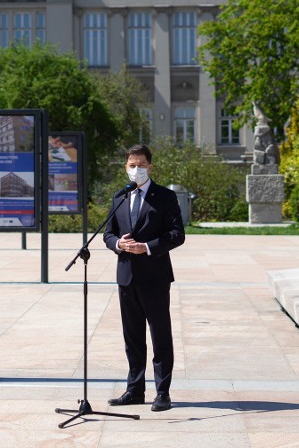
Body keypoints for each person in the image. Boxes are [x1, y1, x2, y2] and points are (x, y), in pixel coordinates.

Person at [103, 144, 185, 412]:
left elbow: (177, 234)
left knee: (160, 336)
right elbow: (108, 234)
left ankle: (163, 393)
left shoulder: (165, 197)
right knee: (132, 337)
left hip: (155, 277)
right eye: (131, 165)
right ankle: (135, 390)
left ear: (150, 166)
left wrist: (148, 247)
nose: (135, 169)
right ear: (125, 167)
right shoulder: (121, 196)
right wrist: (119, 245)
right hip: (126, 277)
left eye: (140, 164)